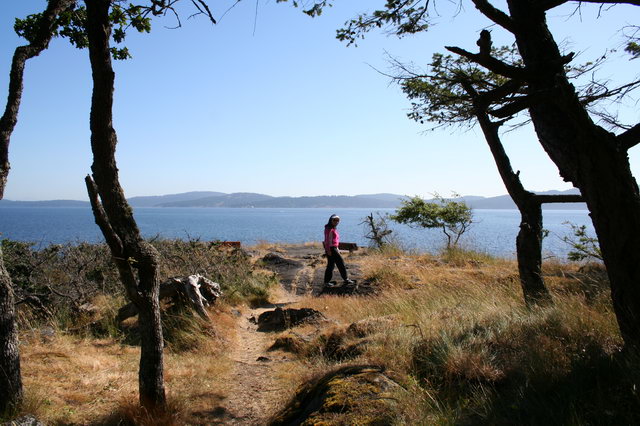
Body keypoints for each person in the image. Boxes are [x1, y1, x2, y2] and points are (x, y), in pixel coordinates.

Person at [323, 214, 354, 285]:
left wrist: (337, 249)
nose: (336, 222)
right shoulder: (329, 229)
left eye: (338, 220)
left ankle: (326, 282)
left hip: (333, 248)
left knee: (331, 265)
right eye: (334, 220)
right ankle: (346, 279)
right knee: (341, 263)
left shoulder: (332, 228)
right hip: (331, 249)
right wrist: (328, 250)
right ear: (331, 220)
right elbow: (327, 241)